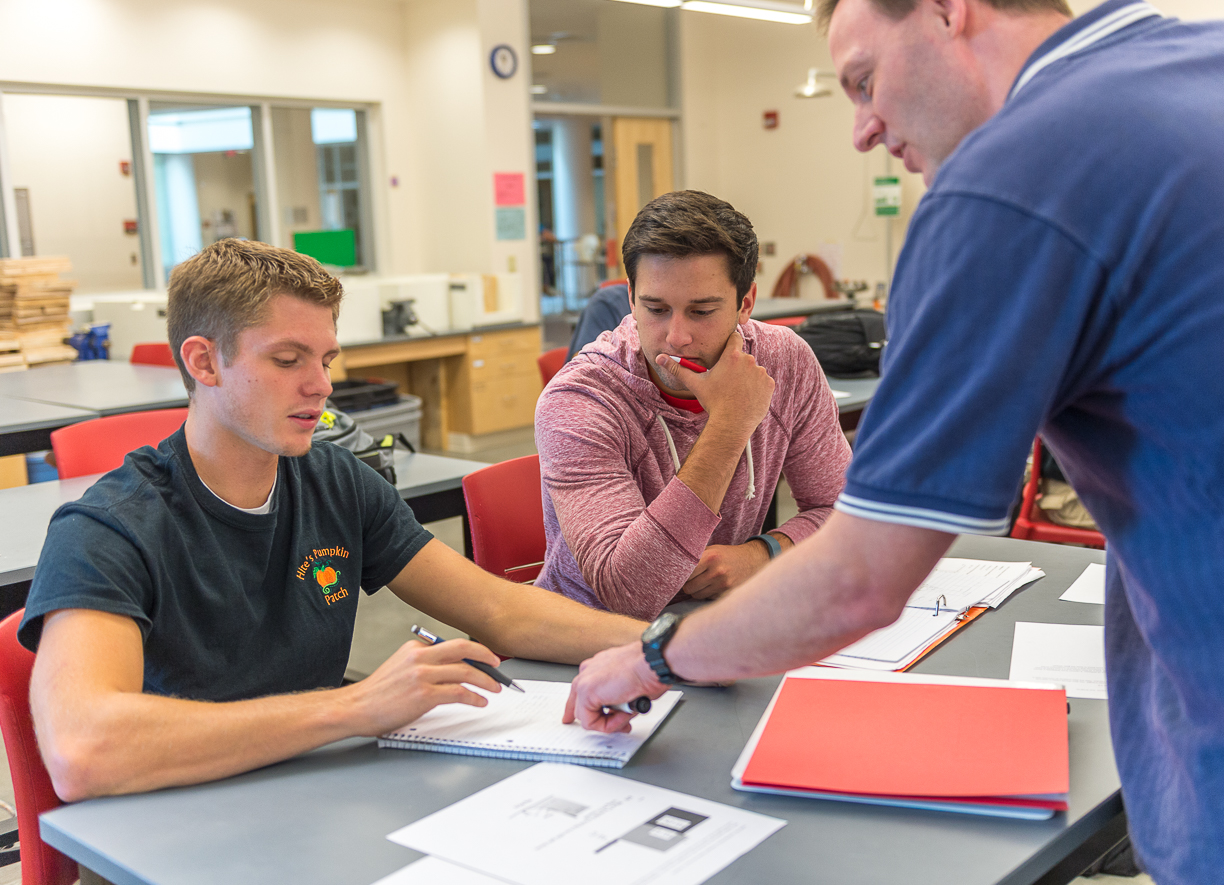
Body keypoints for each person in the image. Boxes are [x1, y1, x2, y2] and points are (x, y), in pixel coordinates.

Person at [564, 1, 1224, 882]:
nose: (863, 131)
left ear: (951, 12)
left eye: (865, 81)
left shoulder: (1007, 183)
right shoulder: (1194, 58)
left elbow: (860, 575)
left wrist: (656, 655)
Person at [20, 239, 645, 802]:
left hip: (306, 789)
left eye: (326, 359)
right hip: (172, 820)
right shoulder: (108, 528)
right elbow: (83, 750)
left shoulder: (336, 481)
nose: (320, 386)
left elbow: (503, 611)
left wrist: (666, 648)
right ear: (204, 364)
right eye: (289, 360)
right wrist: (355, 706)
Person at [535, 191, 851, 621]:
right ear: (630, 297)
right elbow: (628, 595)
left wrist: (764, 553)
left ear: (745, 303)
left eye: (701, 311)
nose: (676, 337)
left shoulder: (784, 360)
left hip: (713, 623)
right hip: (589, 644)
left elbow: (842, 510)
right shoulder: (579, 401)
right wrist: (730, 423)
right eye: (656, 308)